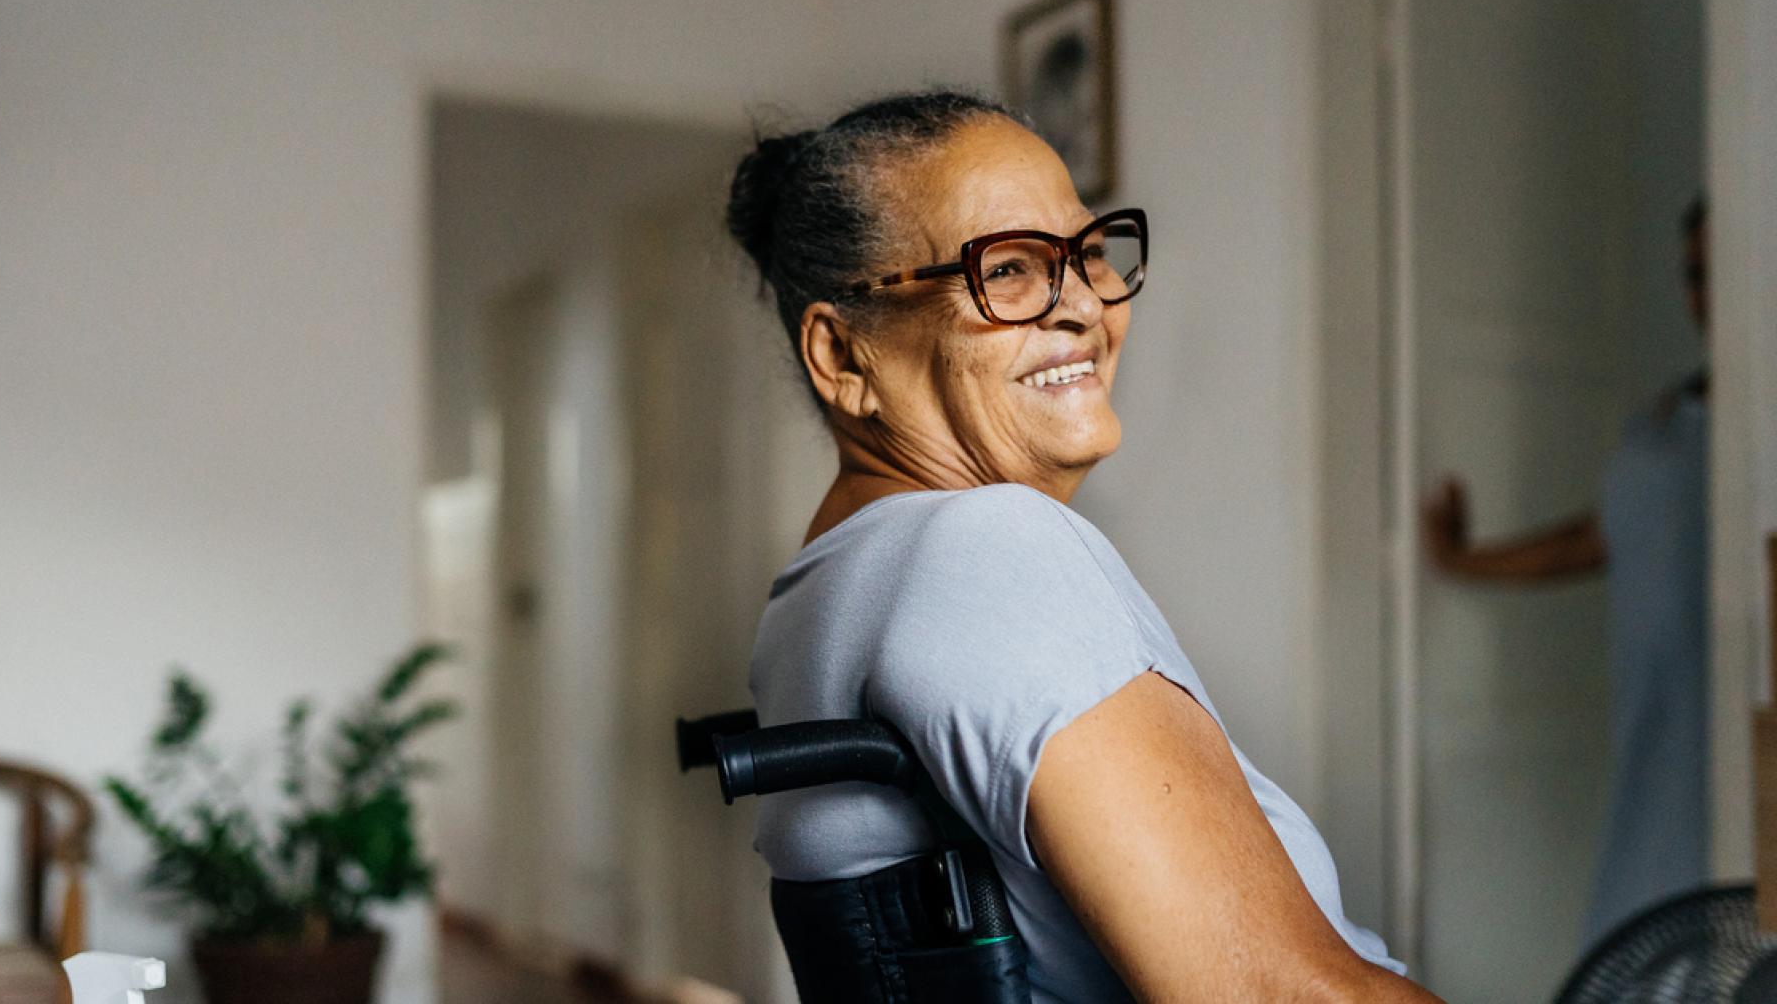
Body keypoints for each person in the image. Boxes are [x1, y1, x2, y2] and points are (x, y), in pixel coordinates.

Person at [726, 90, 1436, 1002]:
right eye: (1009, 269)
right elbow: (1272, 992)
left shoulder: (819, 593)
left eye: (1090, 253)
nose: (1084, 306)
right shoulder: (984, 546)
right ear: (845, 358)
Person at [1422, 198, 1710, 948]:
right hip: (1657, 746)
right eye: (1692, 273)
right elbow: (1599, 537)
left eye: (1719, 267)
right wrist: (1460, 558)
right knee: (1642, 942)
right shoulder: (1666, 417)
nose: (1705, 292)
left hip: (1734, 745)